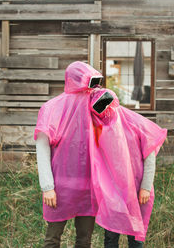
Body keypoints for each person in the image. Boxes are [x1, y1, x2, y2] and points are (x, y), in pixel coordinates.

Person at [34, 61, 167, 248]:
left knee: (84, 239)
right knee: (53, 238)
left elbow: (111, 103)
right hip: (60, 186)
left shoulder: (93, 102)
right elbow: (42, 148)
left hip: (89, 186)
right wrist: (47, 186)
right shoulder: (52, 108)